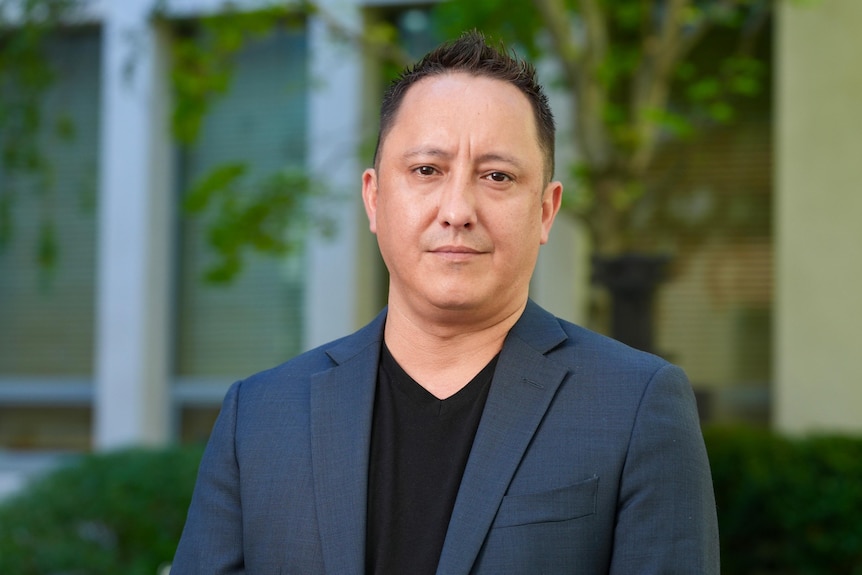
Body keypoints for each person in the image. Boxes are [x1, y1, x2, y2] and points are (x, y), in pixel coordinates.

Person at [171, 30, 719, 574]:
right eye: (427, 170)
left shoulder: (635, 406)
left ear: (545, 211)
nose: (457, 211)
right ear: (374, 198)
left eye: (497, 176)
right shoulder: (260, 415)